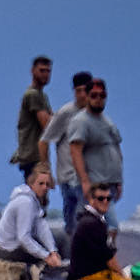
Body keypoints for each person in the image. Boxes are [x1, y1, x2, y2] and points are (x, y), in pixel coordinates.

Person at [66, 77, 122, 231]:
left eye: (102, 95)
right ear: (87, 96)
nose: (98, 99)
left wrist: (118, 181)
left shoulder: (106, 121)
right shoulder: (81, 121)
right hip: (93, 184)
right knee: (109, 225)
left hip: (109, 183)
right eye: (94, 95)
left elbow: (116, 148)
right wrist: (85, 181)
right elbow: (75, 151)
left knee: (100, 226)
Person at [40, 71, 90, 233]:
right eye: (78, 91)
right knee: (73, 222)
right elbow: (44, 140)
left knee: (85, 220)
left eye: (85, 90)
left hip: (88, 178)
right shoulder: (66, 113)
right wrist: (46, 171)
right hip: (68, 176)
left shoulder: (95, 115)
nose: (82, 95)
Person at [0, 166, 64, 273]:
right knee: (56, 248)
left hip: (16, 244)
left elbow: (42, 228)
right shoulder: (26, 202)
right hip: (8, 248)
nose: (44, 187)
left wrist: (53, 251)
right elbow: (23, 237)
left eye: (47, 184)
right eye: (41, 184)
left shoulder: (34, 200)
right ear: (31, 184)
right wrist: (46, 256)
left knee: (59, 239)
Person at [11, 57, 52, 177]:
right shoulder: (33, 95)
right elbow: (48, 125)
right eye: (42, 70)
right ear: (33, 71)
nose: (45, 74)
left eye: (48, 71)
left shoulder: (42, 96)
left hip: (38, 157)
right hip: (32, 157)